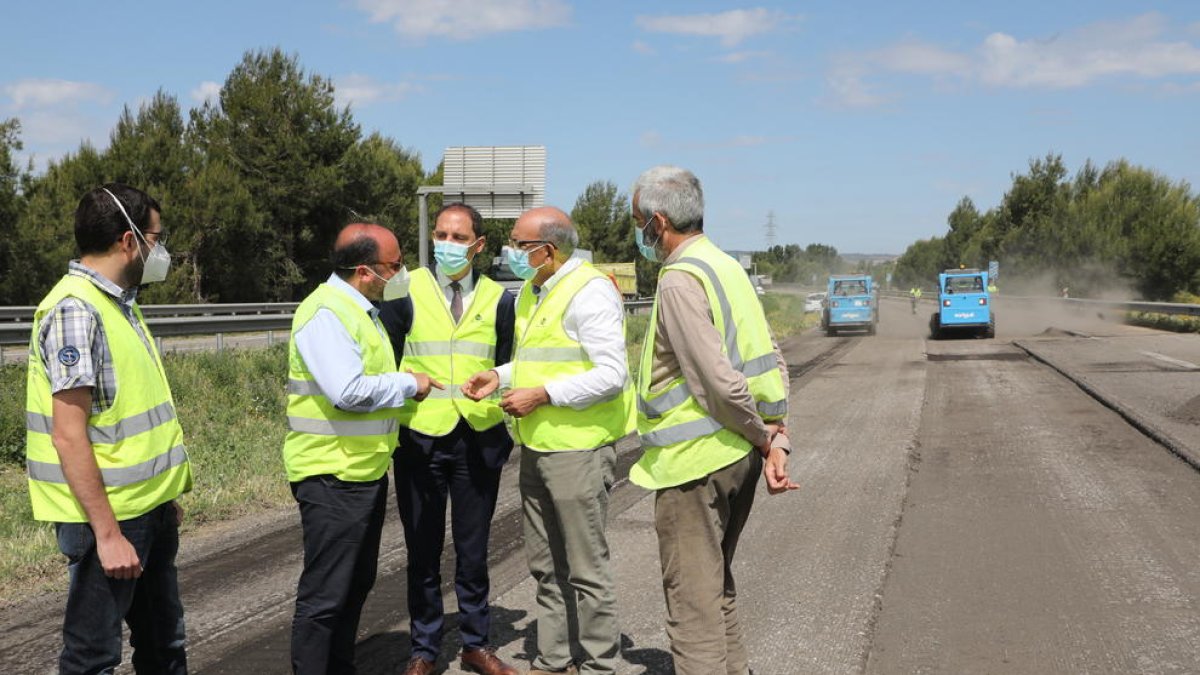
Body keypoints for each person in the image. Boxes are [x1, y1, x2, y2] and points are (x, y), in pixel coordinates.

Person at [627, 166, 798, 675]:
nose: (639, 233)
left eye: (639, 222)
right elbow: (772, 360)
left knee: (692, 609)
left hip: (695, 465)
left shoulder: (680, 279)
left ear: (658, 222)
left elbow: (716, 382)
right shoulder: (725, 267)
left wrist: (765, 439)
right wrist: (775, 434)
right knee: (716, 588)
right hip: (737, 456)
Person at [25, 183, 193, 674]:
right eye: (156, 238)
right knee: (93, 657)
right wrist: (107, 533)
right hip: (112, 520)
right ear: (128, 241)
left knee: (164, 644)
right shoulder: (77, 310)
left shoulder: (119, 302)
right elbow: (69, 433)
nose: (159, 250)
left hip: (148, 509)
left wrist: (164, 499)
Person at [462, 206, 635, 675]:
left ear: (548, 249)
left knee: (585, 568)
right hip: (538, 448)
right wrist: (498, 376)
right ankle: (553, 659)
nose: (511, 251)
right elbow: (537, 361)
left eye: (519, 244)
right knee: (545, 565)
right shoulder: (532, 292)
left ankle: (600, 664)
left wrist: (543, 395)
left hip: (578, 449)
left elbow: (611, 375)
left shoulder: (590, 291)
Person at [284, 223, 440, 674]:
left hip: (360, 472)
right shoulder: (327, 313)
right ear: (365, 271)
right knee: (326, 595)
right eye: (394, 266)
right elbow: (347, 391)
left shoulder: (360, 310)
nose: (401, 273)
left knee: (353, 585)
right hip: (331, 474)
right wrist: (409, 384)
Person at [377, 204, 519, 675]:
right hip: (421, 438)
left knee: (474, 550)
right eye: (440, 234)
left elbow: (504, 362)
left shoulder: (500, 299)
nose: (447, 244)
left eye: (458, 237)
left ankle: (476, 644)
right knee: (422, 549)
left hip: (477, 439)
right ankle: (424, 649)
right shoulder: (405, 289)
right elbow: (384, 359)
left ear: (478, 245)